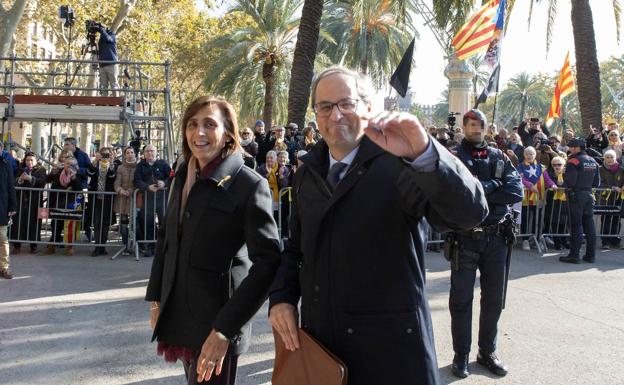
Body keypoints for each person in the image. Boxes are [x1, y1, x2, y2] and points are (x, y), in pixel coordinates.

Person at [268, 66, 488, 385]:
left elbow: (469, 213)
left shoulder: (401, 162)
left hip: (392, 356)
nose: (336, 115)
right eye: (325, 107)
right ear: (315, 115)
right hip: (324, 356)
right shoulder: (307, 174)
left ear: (368, 108)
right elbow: (297, 248)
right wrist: (282, 297)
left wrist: (426, 153)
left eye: (347, 103)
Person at [145, 96, 281, 385]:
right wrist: (156, 300)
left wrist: (225, 330)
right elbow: (166, 240)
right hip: (180, 319)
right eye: (192, 124)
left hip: (217, 327)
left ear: (228, 132)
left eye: (210, 124)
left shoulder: (249, 184)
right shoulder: (182, 175)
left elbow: (268, 264)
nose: (199, 133)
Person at [446, 109, 523, 379]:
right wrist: (494, 186)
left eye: (479, 124)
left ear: (486, 127)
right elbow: (454, 192)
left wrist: (482, 186)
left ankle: (487, 352)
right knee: (461, 300)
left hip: (497, 238)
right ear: (464, 127)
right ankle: (461, 355)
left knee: (493, 299)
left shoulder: (499, 156)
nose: (475, 128)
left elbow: (516, 191)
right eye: (470, 124)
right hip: (465, 238)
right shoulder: (453, 157)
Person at [560, 138, 600, 264]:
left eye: (571, 147)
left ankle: (574, 255)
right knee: (589, 225)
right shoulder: (593, 161)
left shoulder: (574, 161)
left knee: (576, 225)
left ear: (577, 148)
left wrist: (564, 175)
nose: (570, 149)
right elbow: (596, 183)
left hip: (576, 196)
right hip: (589, 195)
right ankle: (590, 255)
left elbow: (570, 181)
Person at [134, 144, 171, 258]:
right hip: (148, 199)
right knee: (148, 223)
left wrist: (164, 183)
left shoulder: (164, 164)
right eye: (147, 151)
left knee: (164, 223)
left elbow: (172, 177)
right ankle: (150, 248)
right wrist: (147, 187)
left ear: (156, 152)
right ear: (144, 153)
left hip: (162, 198)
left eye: (152, 151)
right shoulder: (140, 166)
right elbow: (136, 180)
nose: (150, 153)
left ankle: (165, 248)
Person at [517, 146, 556, 250]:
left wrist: (553, 185)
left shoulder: (541, 167)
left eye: (531, 154)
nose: (529, 156)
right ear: (524, 155)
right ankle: (525, 240)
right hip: (526, 198)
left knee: (538, 220)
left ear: (535, 155)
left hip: (539, 197)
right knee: (525, 219)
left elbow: (547, 180)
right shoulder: (520, 167)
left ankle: (536, 239)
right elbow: (520, 179)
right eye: (527, 154)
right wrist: (530, 185)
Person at [45, 156, 84, 256]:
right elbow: (54, 187)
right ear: (64, 165)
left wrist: (73, 178)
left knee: (70, 225)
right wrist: (65, 190)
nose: (69, 166)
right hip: (59, 202)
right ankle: (53, 245)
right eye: (67, 164)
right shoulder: (59, 173)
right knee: (55, 224)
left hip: (72, 203)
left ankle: (69, 247)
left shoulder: (78, 174)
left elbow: (79, 188)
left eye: (72, 164)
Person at [11, 152, 47, 254]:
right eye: (27, 160)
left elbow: (42, 181)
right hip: (21, 200)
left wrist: (30, 178)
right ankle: (17, 246)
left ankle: (33, 245)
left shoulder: (41, 169)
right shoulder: (20, 169)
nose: (29, 162)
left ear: (36, 161)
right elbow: (13, 182)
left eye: (32, 160)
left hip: (35, 201)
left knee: (35, 222)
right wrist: (20, 179)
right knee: (18, 222)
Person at [87, 147, 119, 257]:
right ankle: (97, 246)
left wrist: (111, 162)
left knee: (105, 222)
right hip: (96, 197)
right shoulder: (96, 163)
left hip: (108, 198)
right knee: (97, 221)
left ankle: (103, 246)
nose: (105, 156)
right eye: (103, 154)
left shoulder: (115, 164)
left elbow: (112, 175)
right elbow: (89, 173)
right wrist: (95, 160)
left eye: (108, 154)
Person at [114, 147, 138, 255]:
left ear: (135, 154)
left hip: (134, 199)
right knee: (123, 224)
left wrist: (131, 190)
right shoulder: (120, 168)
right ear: (125, 155)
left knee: (135, 223)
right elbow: (116, 182)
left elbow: (138, 182)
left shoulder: (139, 167)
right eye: (128, 153)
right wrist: (120, 190)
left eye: (132, 152)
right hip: (122, 199)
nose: (130, 154)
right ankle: (125, 246)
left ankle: (135, 244)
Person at [598, 150, 623, 249]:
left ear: (615, 158)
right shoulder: (600, 169)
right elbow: (599, 183)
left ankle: (615, 240)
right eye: (607, 157)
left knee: (617, 218)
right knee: (606, 219)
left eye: (611, 157)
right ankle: (605, 241)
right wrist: (612, 187)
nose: (609, 159)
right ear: (604, 158)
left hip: (618, 197)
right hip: (606, 197)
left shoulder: (621, 169)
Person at [543, 157, 569, 250]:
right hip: (552, 202)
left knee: (564, 222)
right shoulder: (549, 174)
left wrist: (562, 183)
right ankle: (557, 242)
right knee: (554, 222)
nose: (557, 167)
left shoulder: (567, 174)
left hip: (565, 202)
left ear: (563, 165)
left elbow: (569, 185)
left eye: (559, 165)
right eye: (554, 165)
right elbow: (547, 184)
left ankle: (564, 241)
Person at [0, 152, 17, 279]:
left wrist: (13, 206)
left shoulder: (6, 165)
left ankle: (4, 268)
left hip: (2, 208)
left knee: (3, 240)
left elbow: (11, 187)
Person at [98, 24, 119, 96]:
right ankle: (104, 102)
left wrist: (102, 30)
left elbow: (109, 39)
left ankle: (115, 101)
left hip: (111, 64)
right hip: (102, 64)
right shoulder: (101, 39)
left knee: (114, 85)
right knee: (104, 85)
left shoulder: (112, 35)